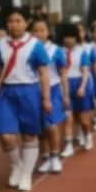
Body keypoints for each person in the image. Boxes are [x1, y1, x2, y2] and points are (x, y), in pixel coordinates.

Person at [0, 6, 52, 192]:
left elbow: (44, 72)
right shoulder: (1, 44)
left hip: (29, 91)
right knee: (6, 136)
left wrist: (46, 98)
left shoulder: (35, 45)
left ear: (26, 23)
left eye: (18, 21)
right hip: (6, 93)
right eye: (10, 21)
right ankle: (16, 165)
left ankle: (27, 174)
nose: (14, 25)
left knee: (29, 135)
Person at [32, 18, 69, 175]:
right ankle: (45, 157)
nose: (39, 34)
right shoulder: (28, 49)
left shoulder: (56, 51)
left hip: (53, 90)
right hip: (34, 91)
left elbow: (62, 74)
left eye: (42, 30)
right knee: (40, 128)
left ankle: (55, 156)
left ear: (48, 33)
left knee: (52, 125)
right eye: (35, 30)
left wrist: (66, 95)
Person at [60, 22, 94, 156]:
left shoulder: (82, 52)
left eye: (72, 37)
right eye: (66, 37)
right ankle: (68, 145)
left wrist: (82, 87)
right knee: (68, 118)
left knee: (83, 120)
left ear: (76, 38)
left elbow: (85, 71)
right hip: (65, 84)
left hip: (80, 84)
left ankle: (88, 135)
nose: (69, 40)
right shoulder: (59, 52)